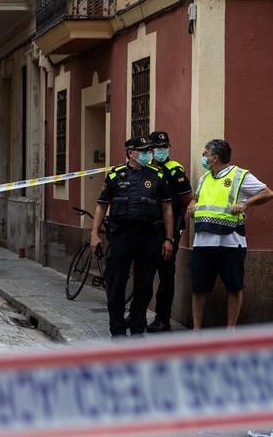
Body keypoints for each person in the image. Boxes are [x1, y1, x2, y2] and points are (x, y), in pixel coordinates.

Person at [90, 136, 174, 337]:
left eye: (149, 151)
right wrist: (94, 234)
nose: (148, 154)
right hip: (121, 236)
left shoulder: (157, 176)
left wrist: (168, 239)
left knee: (144, 285)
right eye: (143, 151)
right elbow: (102, 206)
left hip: (149, 237)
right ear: (130, 153)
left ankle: (137, 326)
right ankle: (117, 328)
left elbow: (167, 210)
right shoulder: (115, 176)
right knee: (116, 281)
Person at [188, 139, 273, 330]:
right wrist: (192, 205)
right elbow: (196, 200)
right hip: (202, 242)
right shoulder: (204, 178)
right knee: (199, 288)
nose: (204, 156)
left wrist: (246, 204)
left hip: (231, 243)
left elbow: (267, 193)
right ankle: (196, 331)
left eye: (206, 154)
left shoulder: (239, 175)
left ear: (215, 158)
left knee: (234, 287)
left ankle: (230, 331)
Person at [146, 131, 193, 332]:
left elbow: (186, 201)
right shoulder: (144, 169)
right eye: (158, 147)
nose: (162, 150)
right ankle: (138, 313)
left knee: (166, 276)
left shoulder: (175, 170)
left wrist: (175, 232)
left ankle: (162, 318)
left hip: (168, 230)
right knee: (144, 275)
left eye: (165, 147)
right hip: (145, 231)